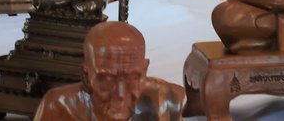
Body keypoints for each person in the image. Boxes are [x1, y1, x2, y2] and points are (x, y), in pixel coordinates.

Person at [33, 21, 184, 121]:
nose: (121, 93)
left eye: (132, 77)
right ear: (86, 76)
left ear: (145, 70)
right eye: (107, 79)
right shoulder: (58, 107)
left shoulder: (170, 101)